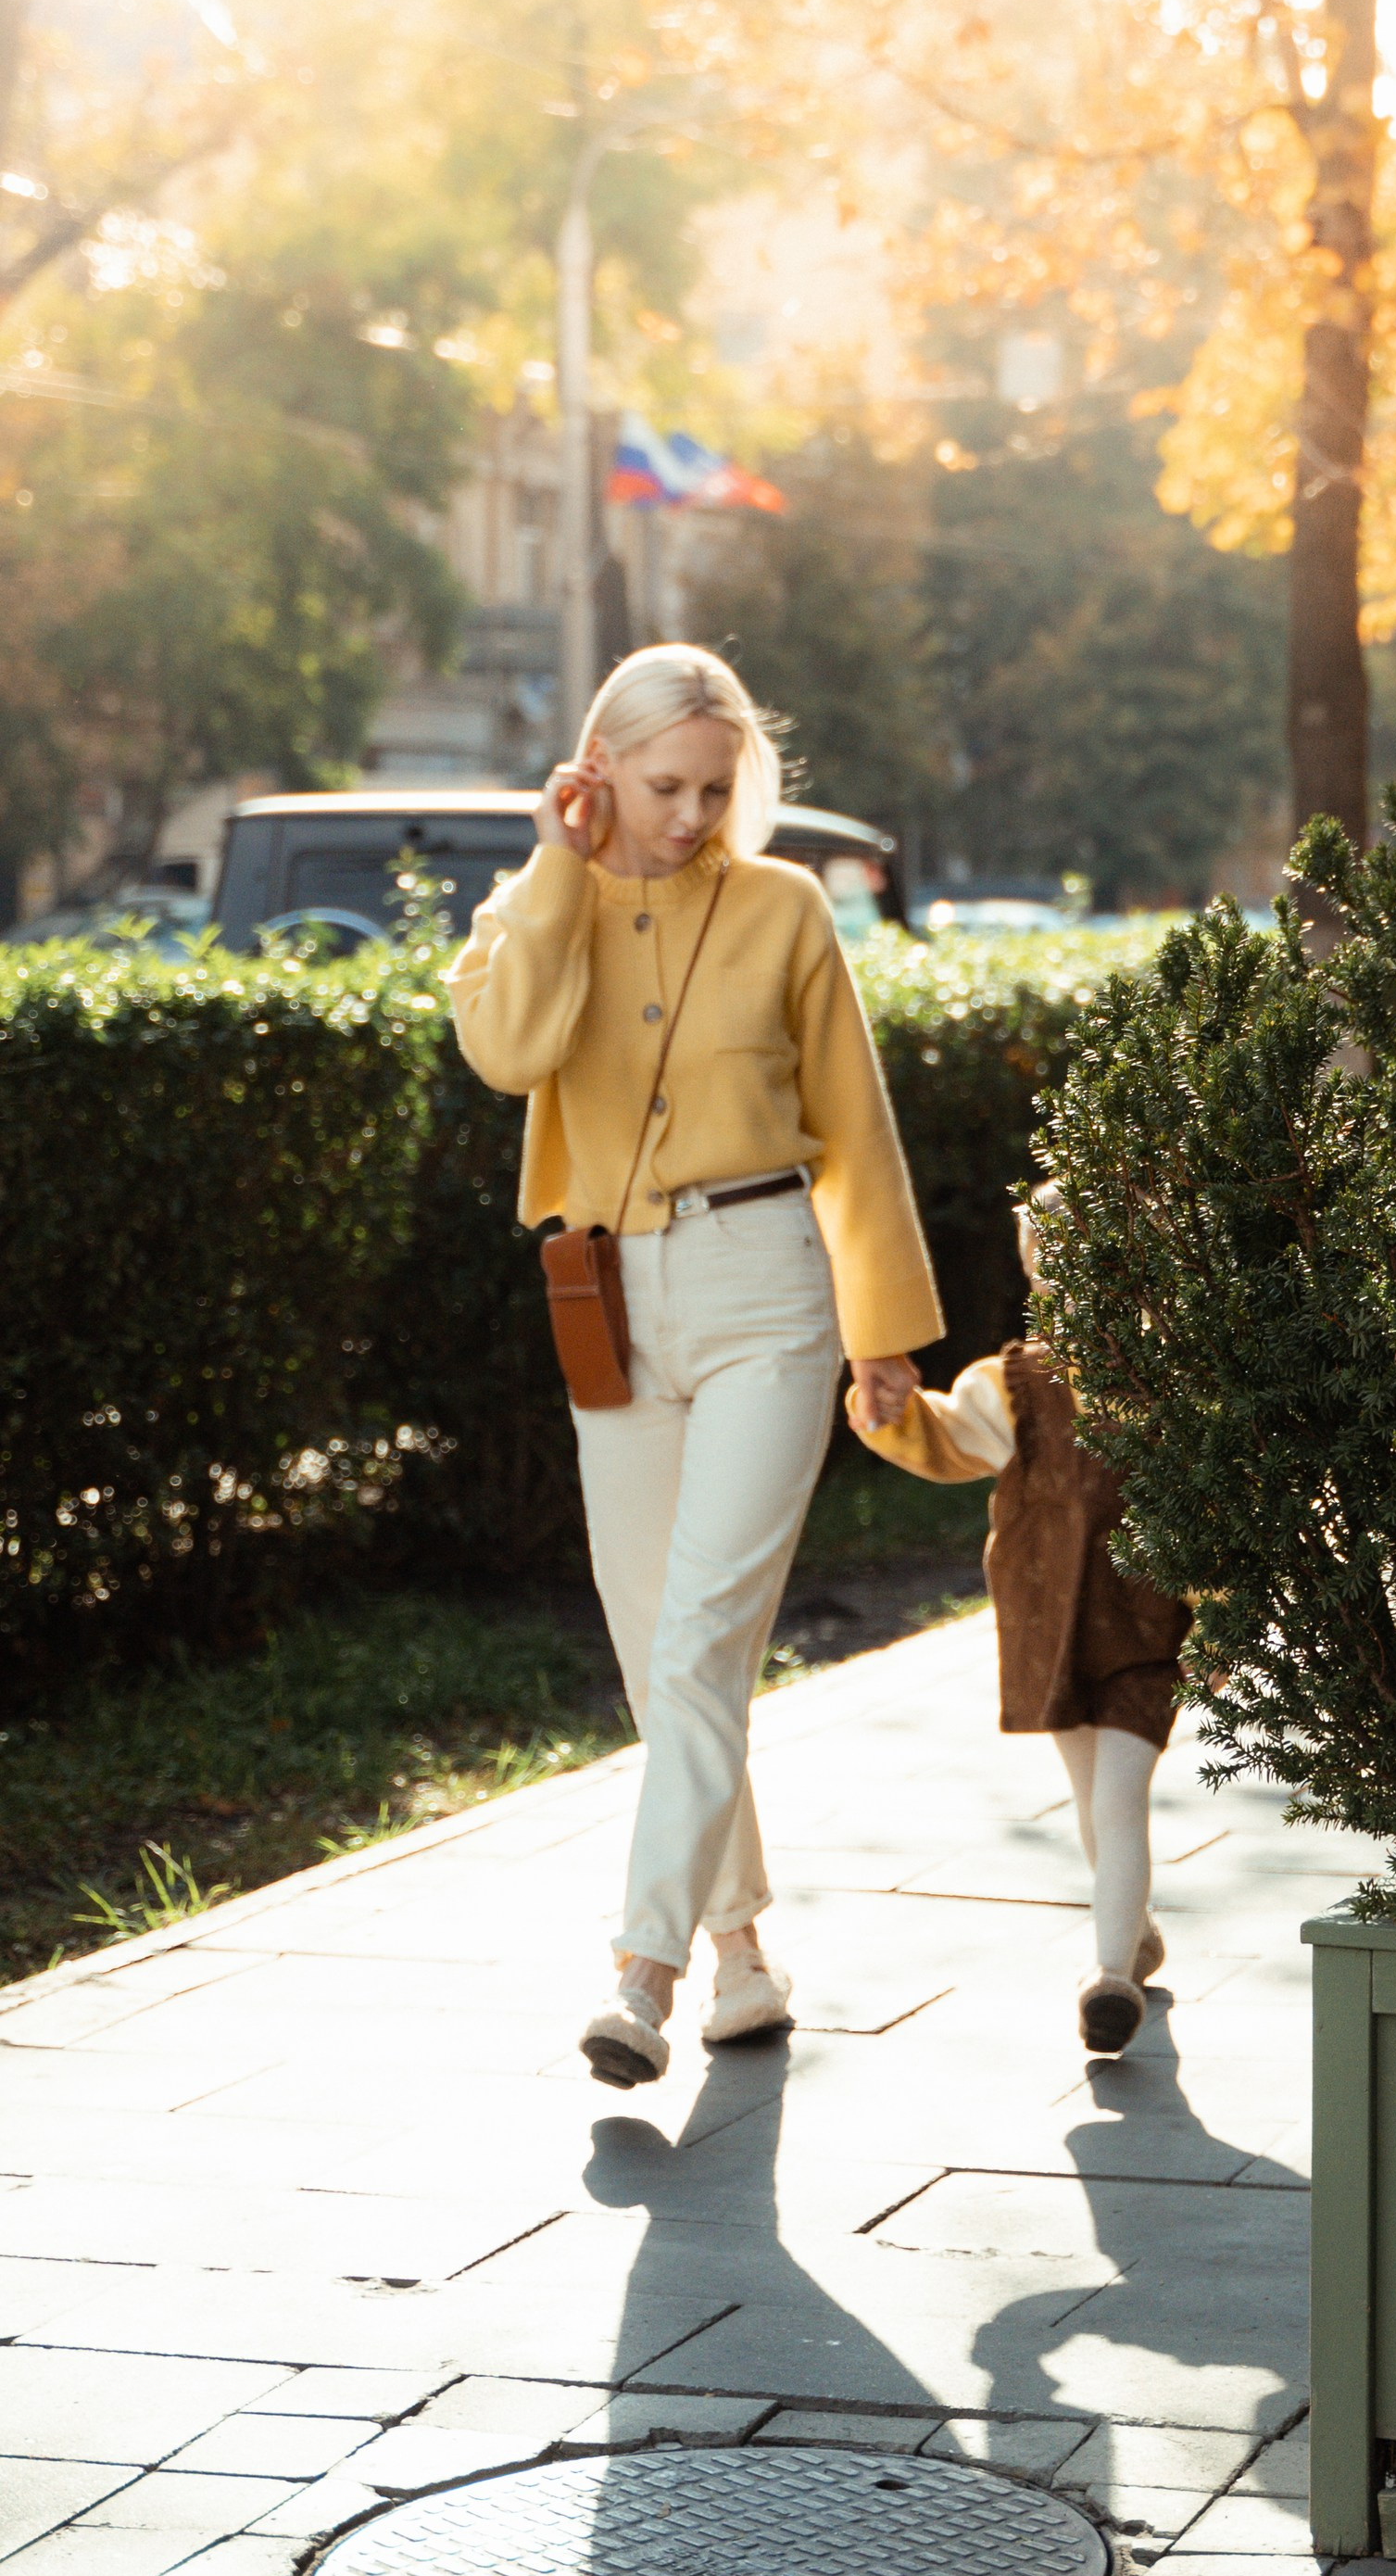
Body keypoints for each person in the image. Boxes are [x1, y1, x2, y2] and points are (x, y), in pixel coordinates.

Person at [449, 642, 937, 2087]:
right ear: (599, 771)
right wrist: (555, 868)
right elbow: (505, 1048)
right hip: (609, 1300)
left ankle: (641, 1972)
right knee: (658, 1640)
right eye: (666, 785)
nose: (691, 814)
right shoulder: (540, 910)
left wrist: (884, 1334)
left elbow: (856, 1126)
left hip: (769, 1291)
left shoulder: (783, 907)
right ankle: (741, 1953)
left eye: (717, 788)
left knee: (708, 1632)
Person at [846, 1193, 1191, 2054]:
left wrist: (1224, 1617)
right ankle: (1135, 1931)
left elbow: (1219, 1505)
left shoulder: (1174, 1381)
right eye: (1054, 1261)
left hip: (1144, 1630)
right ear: (1034, 1273)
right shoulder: (1013, 1386)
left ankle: (1111, 1979)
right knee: (1092, 1802)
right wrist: (896, 1413)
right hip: (1052, 1625)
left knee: (1118, 1799)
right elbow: (949, 1437)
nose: (1075, 1279)